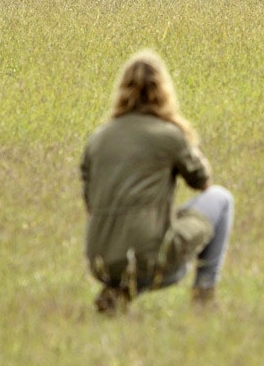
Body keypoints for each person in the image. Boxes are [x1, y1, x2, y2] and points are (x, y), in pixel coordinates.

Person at [80, 50, 234, 314]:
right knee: (221, 199)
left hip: (100, 260)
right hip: (149, 259)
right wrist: (184, 138)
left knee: (145, 239)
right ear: (164, 90)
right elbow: (203, 182)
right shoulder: (169, 135)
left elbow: (90, 202)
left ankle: (117, 293)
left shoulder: (98, 138)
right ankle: (204, 298)